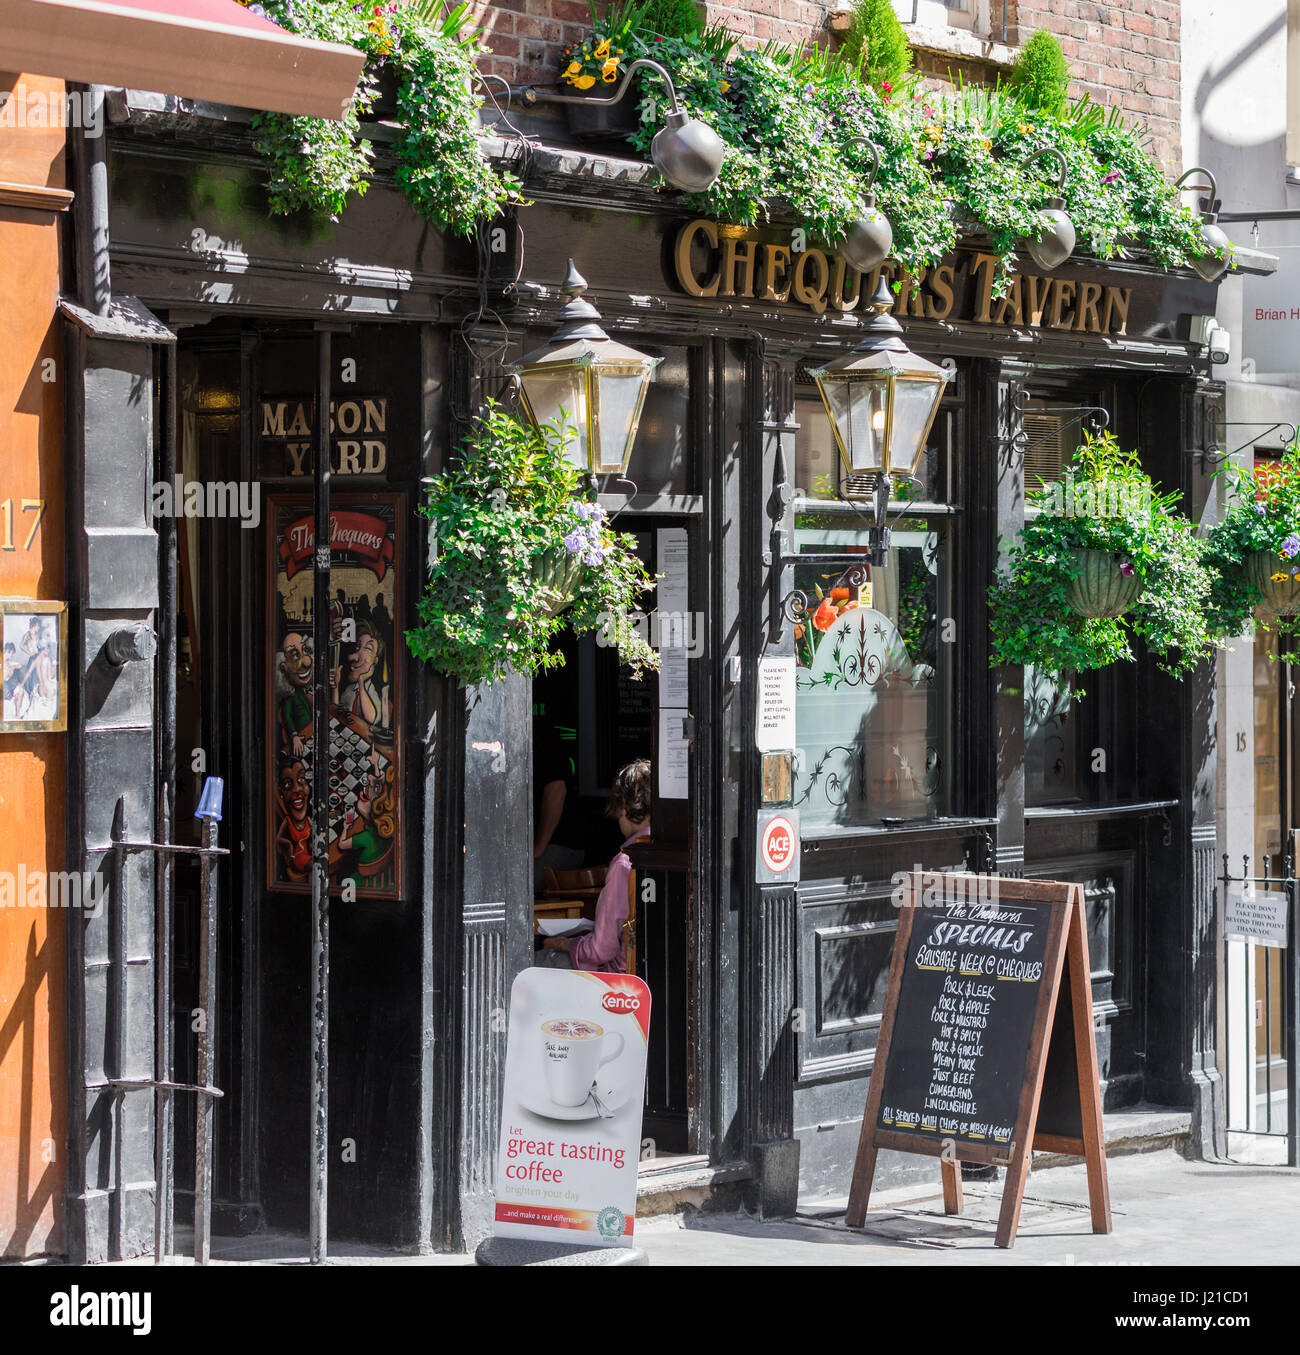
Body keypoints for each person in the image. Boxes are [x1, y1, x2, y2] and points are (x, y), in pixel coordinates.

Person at [537, 758, 650, 974]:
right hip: (645, 980)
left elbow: (601, 950)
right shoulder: (671, 855)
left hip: (615, 982)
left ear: (624, 807)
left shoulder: (624, 864)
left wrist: (565, 944)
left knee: (529, 964)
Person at [532, 719, 584, 892]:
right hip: (549, 845)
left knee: (511, 891)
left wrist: (538, 847)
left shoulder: (539, 736)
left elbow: (556, 789)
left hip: (559, 845)